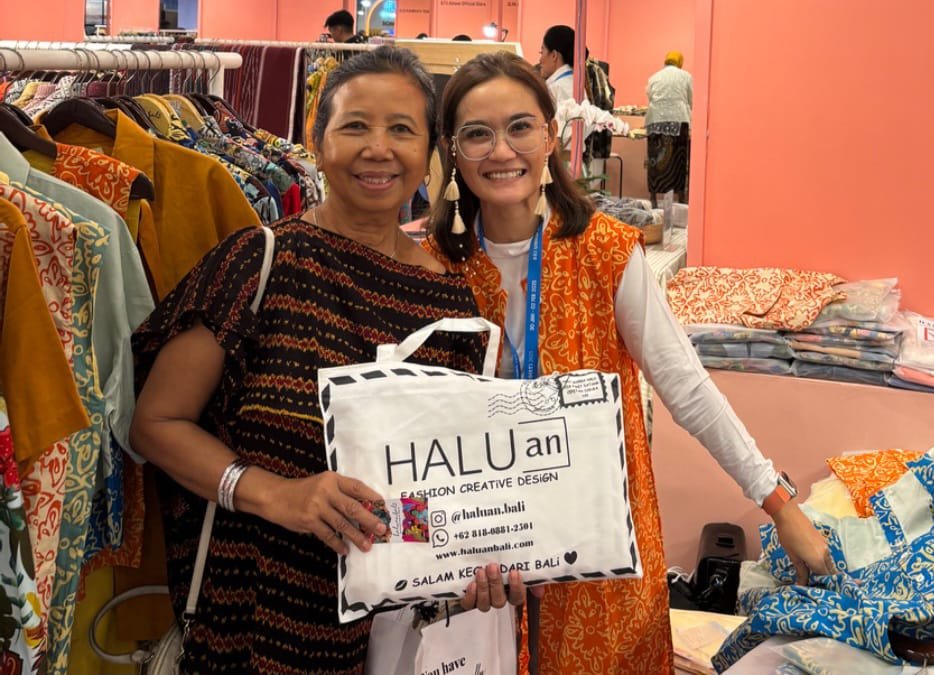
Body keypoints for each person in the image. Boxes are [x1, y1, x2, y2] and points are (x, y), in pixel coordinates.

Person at [425, 51, 832, 674]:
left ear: (551, 136)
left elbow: (686, 388)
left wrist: (779, 505)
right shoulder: (431, 264)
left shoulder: (605, 252)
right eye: (477, 134)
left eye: (520, 127)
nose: (501, 151)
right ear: (453, 151)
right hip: (477, 555)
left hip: (596, 546)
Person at [129, 47, 503, 673]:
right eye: (355, 125)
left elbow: (436, 488)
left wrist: (462, 566)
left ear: (430, 153)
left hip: (389, 641)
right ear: (317, 141)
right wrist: (277, 495)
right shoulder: (260, 262)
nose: (378, 149)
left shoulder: (450, 306)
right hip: (250, 630)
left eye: (401, 129)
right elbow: (156, 424)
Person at [645, 50, 693, 205]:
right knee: (678, 160)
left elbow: (650, 97)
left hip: (655, 120)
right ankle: (680, 196)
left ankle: (653, 197)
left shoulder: (654, 77)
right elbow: (691, 99)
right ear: (680, 62)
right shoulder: (686, 76)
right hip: (678, 120)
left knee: (655, 160)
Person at [537, 25, 577, 107]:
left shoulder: (557, 88)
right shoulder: (575, 84)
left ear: (554, 55)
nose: (539, 60)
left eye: (542, 52)